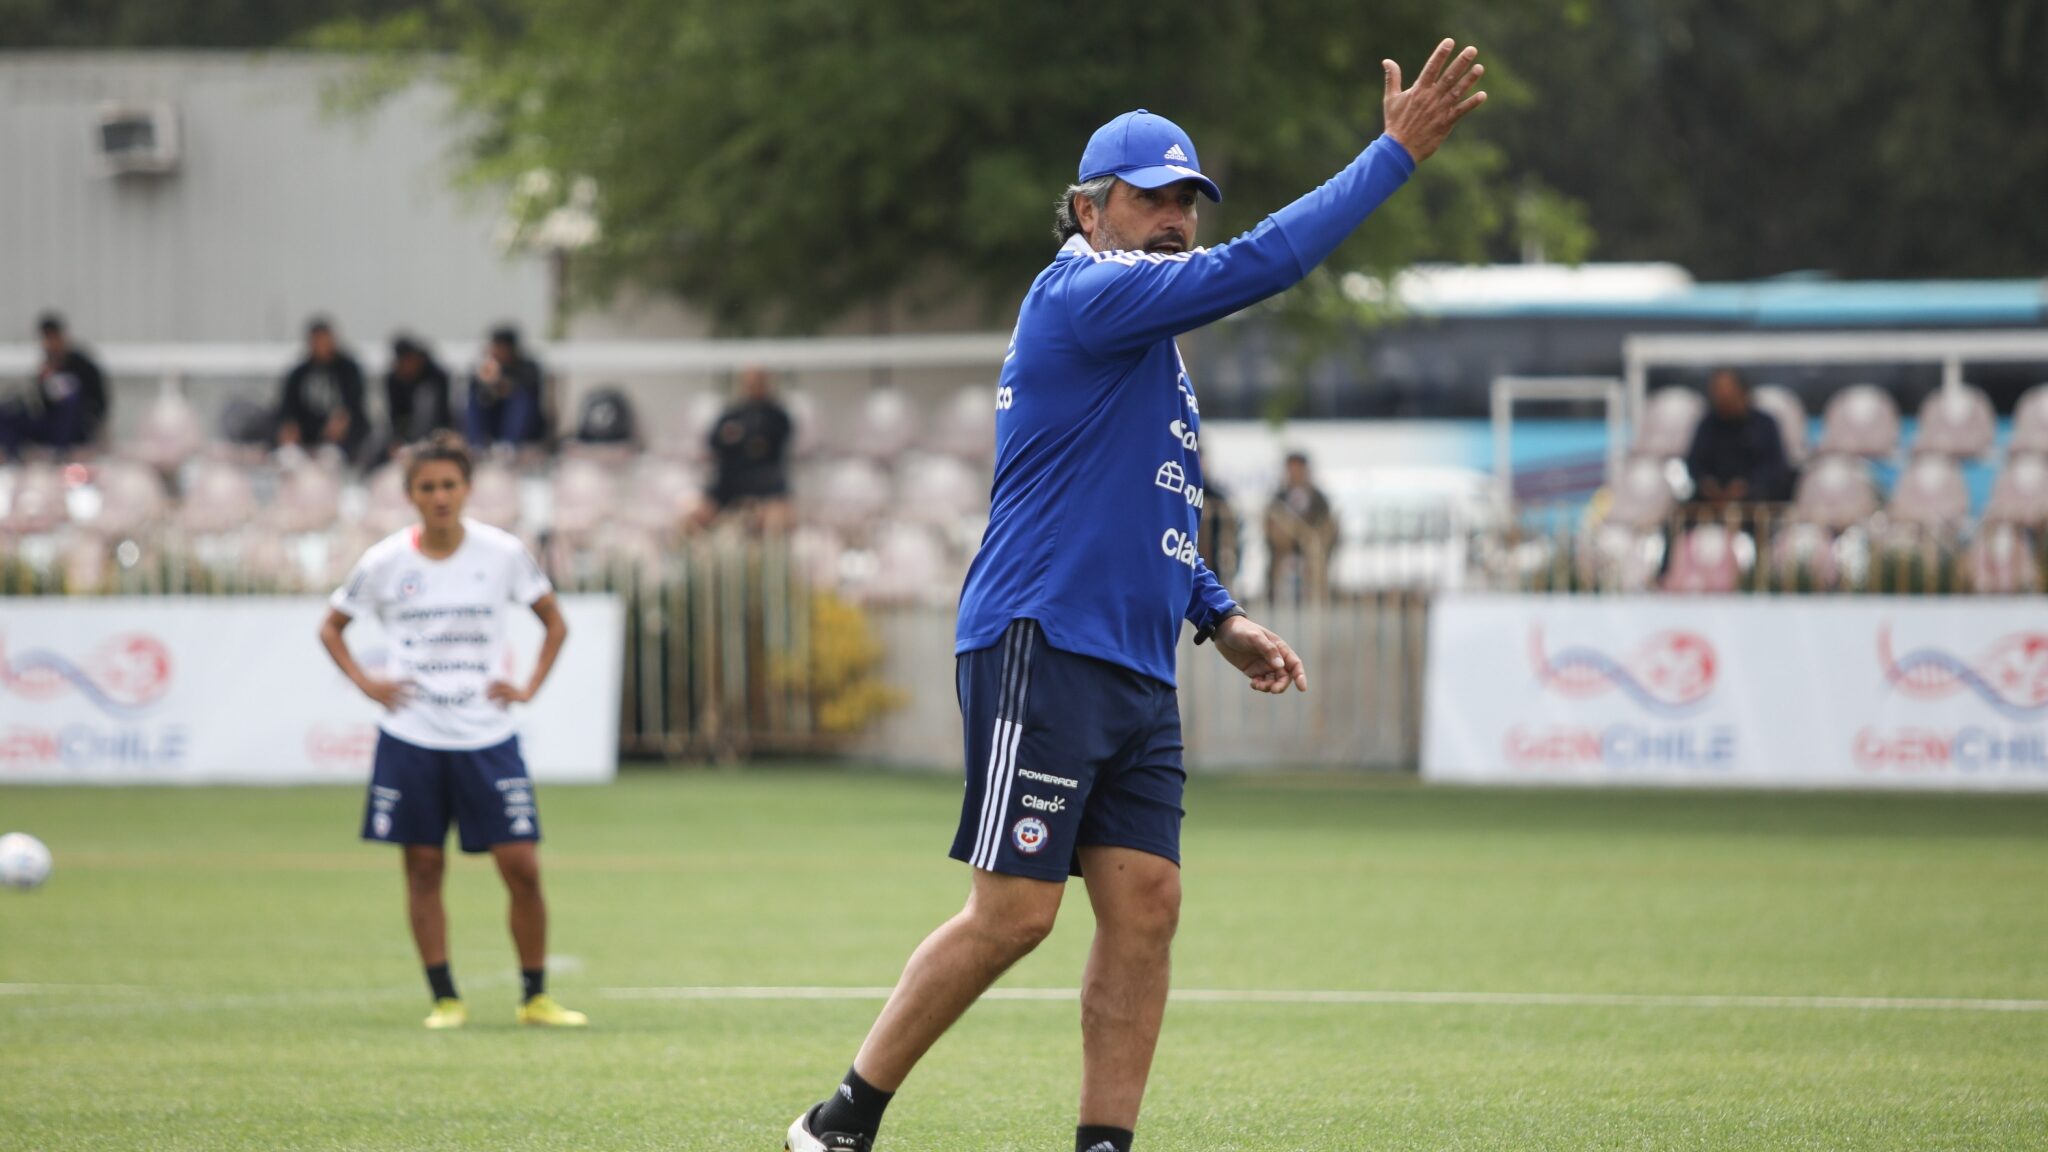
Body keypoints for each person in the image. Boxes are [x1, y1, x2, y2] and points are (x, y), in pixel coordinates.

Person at [785, 39, 1484, 1152]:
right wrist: (1389, 158)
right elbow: (1262, 264)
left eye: (1186, 202)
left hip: (1131, 661)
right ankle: (840, 1120)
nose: (1174, 218)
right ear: (1087, 207)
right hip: (1042, 638)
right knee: (1015, 914)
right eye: (1149, 198)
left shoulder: (1149, 348)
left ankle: (1103, 1145)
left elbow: (1150, 506)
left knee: (1146, 907)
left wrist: (1217, 616)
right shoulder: (1083, 292)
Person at [317, 430, 586, 1031]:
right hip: (411, 735)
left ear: (467, 489)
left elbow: (554, 623)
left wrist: (528, 687)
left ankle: (534, 996)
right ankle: (445, 997)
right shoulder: (385, 561)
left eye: (449, 485)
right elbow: (331, 626)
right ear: (411, 494)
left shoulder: (502, 553)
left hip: (486, 736)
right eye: (427, 487)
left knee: (522, 866)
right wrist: (368, 684)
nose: (439, 496)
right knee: (422, 866)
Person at [697, 366, 794, 531]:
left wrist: (741, 438)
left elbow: (768, 444)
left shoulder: (777, 416)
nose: (753, 385)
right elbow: (714, 441)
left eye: (758, 380)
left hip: (767, 483)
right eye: (750, 381)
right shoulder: (732, 413)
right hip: (729, 482)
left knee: (777, 519)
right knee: (696, 514)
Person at [1, 312, 108, 459]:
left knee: (69, 396)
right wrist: (41, 384)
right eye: (46, 339)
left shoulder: (83, 366)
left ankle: (61, 457)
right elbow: (41, 406)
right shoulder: (46, 367)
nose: (50, 344)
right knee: (7, 411)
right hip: (51, 425)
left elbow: (98, 403)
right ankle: (12, 460)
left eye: (53, 338)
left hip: (77, 427)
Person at [1686, 368, 1792, 507]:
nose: (1722, 397)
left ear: (1742, 392)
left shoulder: (1764, 424)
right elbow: (1694, 463)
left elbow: (1775, 467)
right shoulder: (1707, 425)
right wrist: (1705, 483)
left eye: (1727, 392)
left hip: (1757, 506)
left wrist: (1747, 486)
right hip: (1712, 506)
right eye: (1717, 392)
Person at [277, 318, 369, 461]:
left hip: (343, 441)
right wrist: (289, 426)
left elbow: (354, 403)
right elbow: (287, 407)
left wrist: (342, 420)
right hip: (307, 437)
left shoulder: (348, 370)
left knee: (331, 456)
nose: (322, 346)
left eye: (325, 340)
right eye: (317, 341)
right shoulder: (299, 374)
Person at [1263, 451, 1340, 602]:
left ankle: (1318, 599)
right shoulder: (1278, 496)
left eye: (1298, 468)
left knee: (1315, 550)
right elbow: (1270, 520)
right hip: (1283, 544)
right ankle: (1274, 597)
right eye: (1291, 469)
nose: (1294, 473)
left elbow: (1325, 521)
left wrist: (1309, 535)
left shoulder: (1318, 497)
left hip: (1312, 542)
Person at [465, 324, 548, 451]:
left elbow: (527, 393)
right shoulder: (486, 366)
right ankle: (476, 444)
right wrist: (485, 382)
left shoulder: (527, 368)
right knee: (475, 398)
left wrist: (501, 382)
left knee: (521, 398)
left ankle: (509, 446)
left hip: (522, 429)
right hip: (493, 421)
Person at [384, 335, 455, 448]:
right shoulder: (394, 379)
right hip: (406, 438)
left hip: (435, 437)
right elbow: (395, 414)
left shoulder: (436, 378)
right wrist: (398, 438)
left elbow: (443, 413)